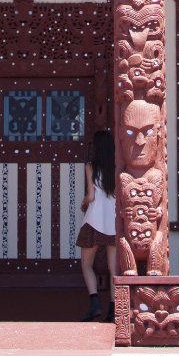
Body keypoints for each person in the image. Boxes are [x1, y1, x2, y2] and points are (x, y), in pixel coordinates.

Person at [76, 130, 117, 322]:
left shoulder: (91, 167)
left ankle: (95, 304)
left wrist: (84, 201)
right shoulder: (118, 168)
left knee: (86, 264)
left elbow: (91, 197)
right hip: (113, 223)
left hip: (94, 221)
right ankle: (114, 309)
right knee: (113, 267)